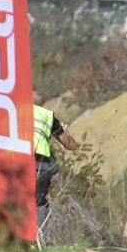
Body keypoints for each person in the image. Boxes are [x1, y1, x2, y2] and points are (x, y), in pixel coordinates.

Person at [33, 91, 76, 238]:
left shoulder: (13, 110)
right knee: (39, 204)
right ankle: (40, 243)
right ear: (43, 105)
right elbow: (71, 145)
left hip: (17, 162)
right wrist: (64, 131)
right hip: (41, 165)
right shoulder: (47, 116)